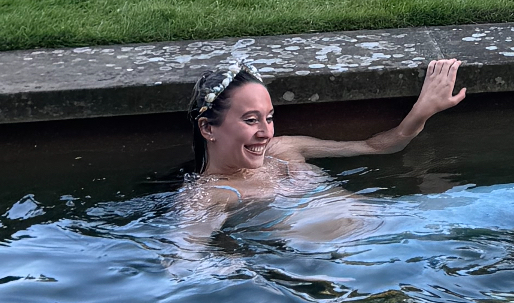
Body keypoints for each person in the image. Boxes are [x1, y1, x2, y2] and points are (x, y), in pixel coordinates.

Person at [181, 58, 465, 228]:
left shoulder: (285, 149)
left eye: (269, 118)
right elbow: (185, 260)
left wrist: (423, 110)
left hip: (401, 220)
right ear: (208, 128)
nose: (266, 132)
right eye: (251, 120)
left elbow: (375, 147)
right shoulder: (208, 195)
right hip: (359, 259)